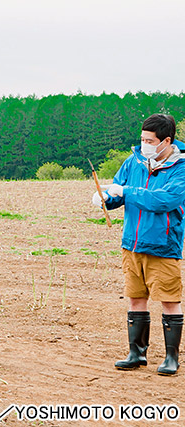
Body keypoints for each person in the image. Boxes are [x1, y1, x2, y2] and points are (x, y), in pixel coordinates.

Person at [91, 113, 185, 375]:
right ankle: (136, 353)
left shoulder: (181, 168)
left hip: (163, 244)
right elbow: (117, 191)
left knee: (169, 300)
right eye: (142, 138)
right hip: (132, 243)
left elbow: (164, 200)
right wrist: (105, 199)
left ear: (166, 141)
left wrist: (127, 192)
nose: (144, 144)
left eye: (149, 140)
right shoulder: (134, 161)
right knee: (135, 298)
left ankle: (170, 358)